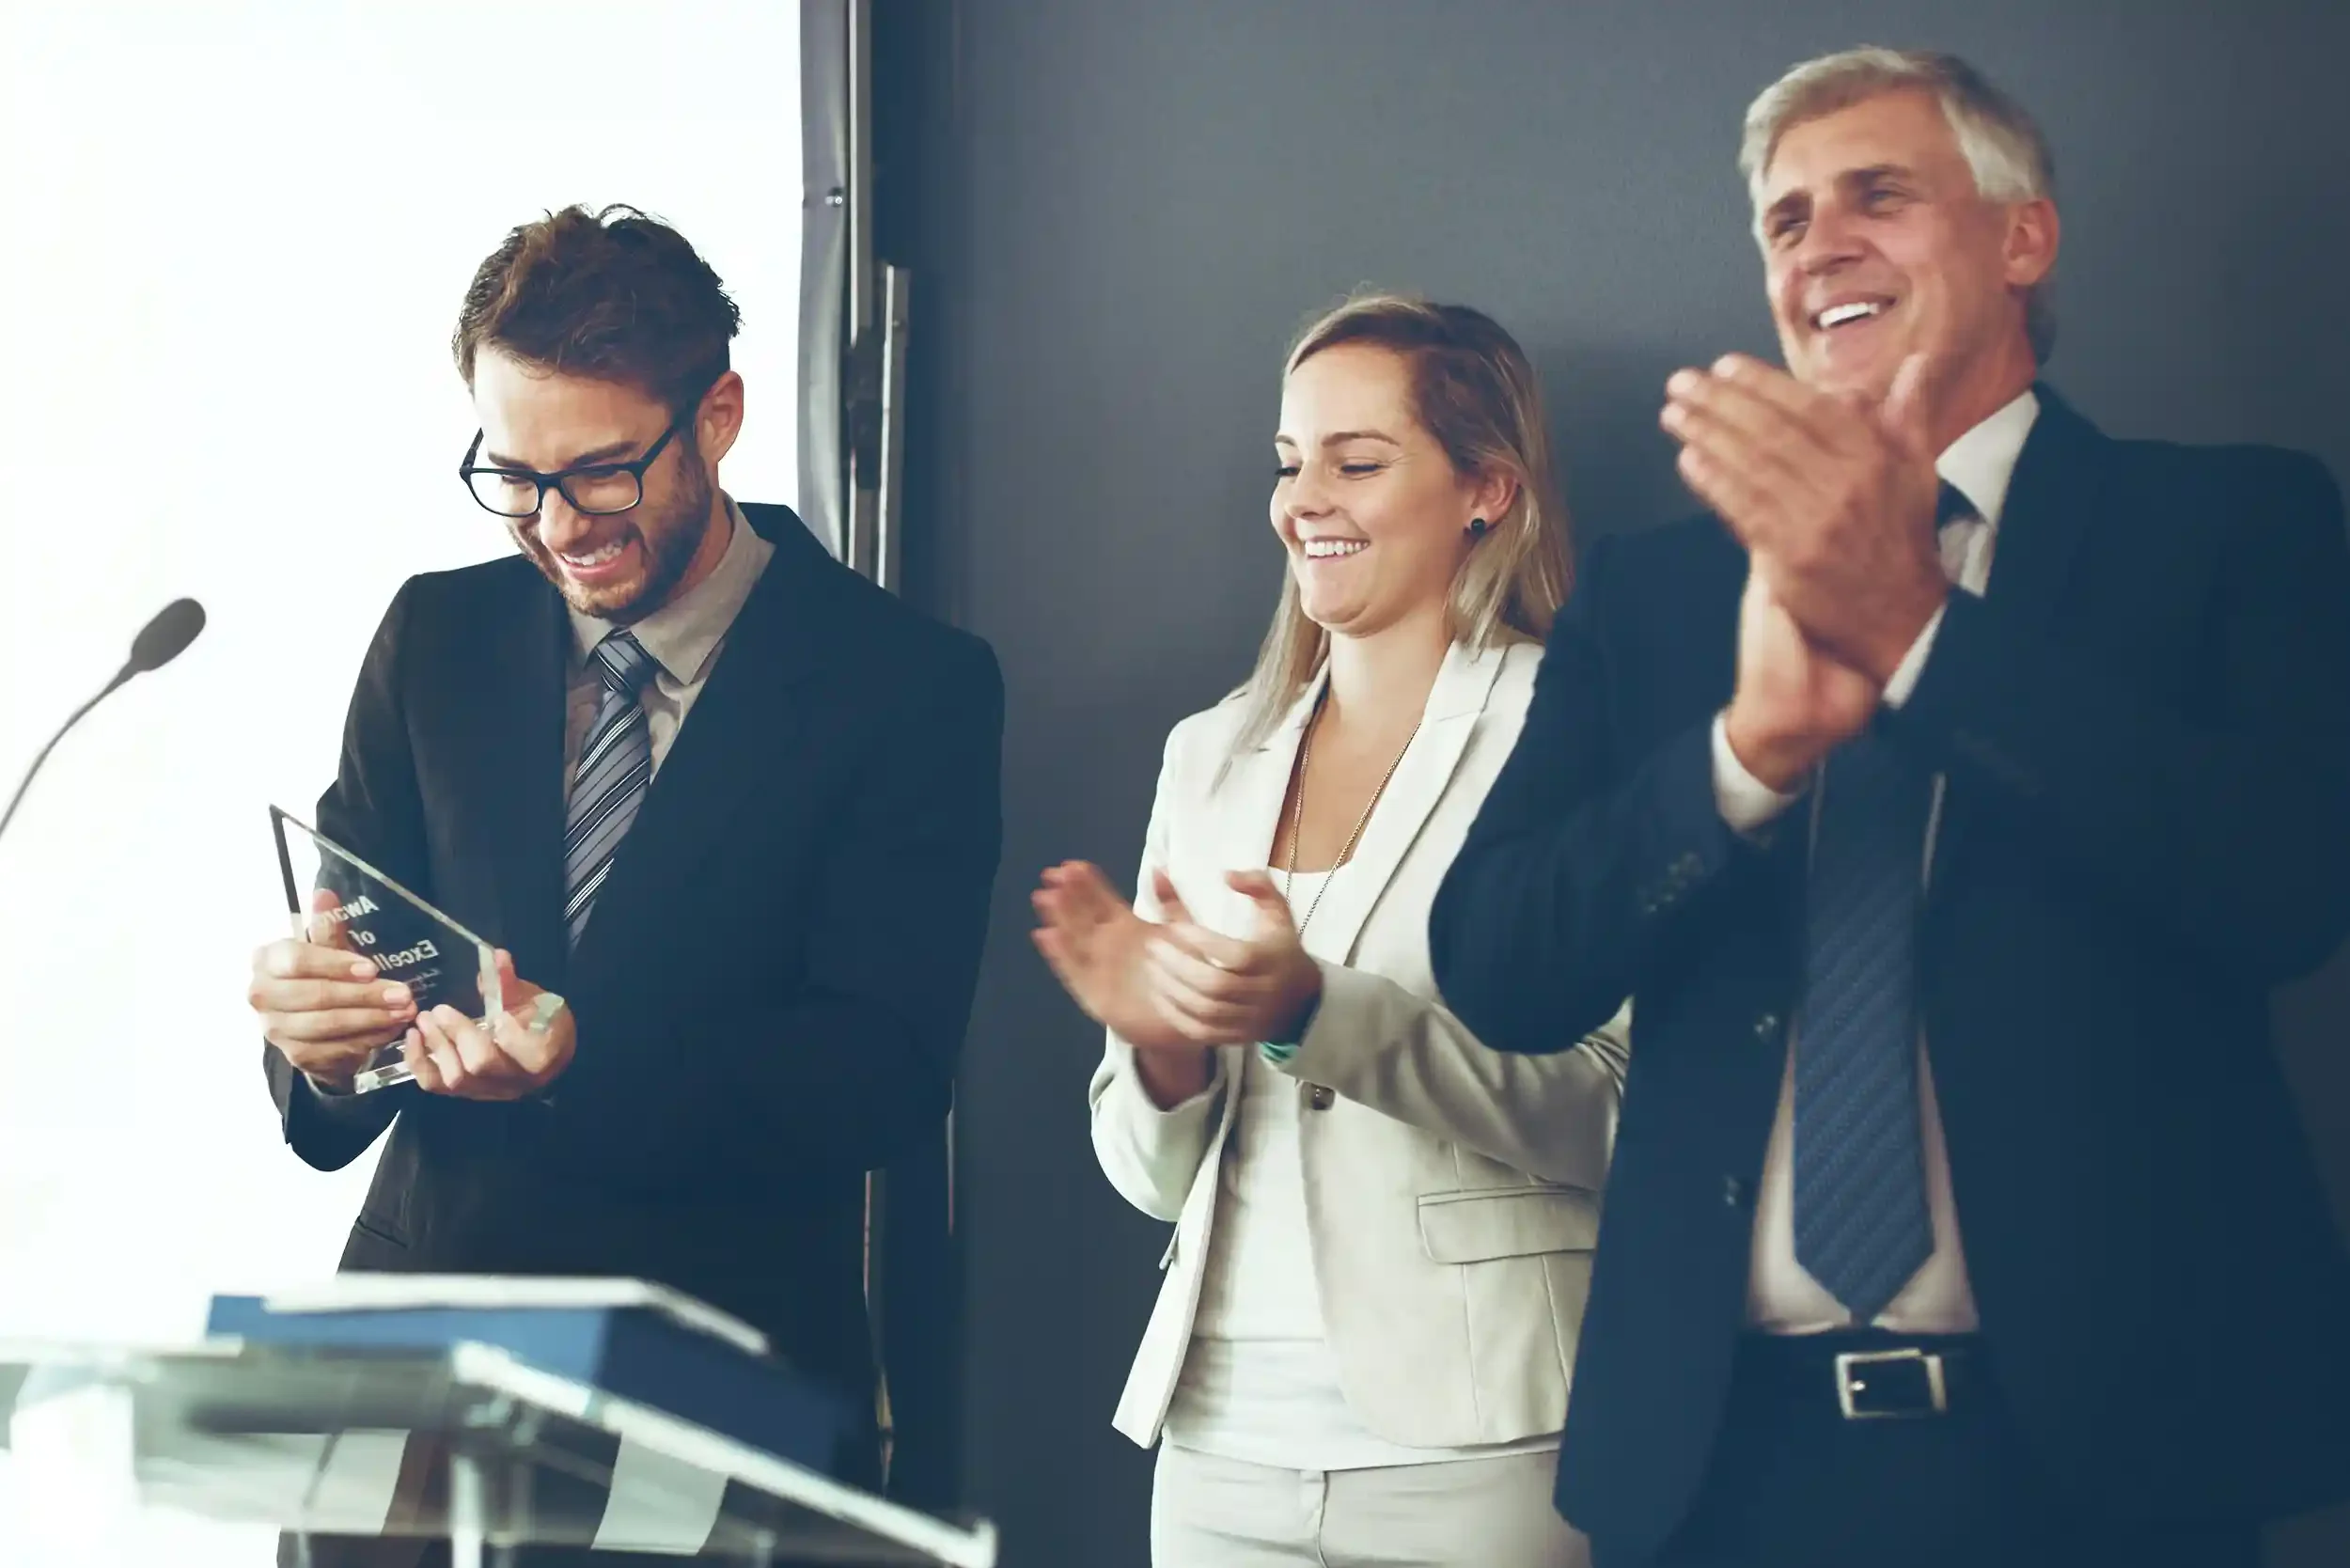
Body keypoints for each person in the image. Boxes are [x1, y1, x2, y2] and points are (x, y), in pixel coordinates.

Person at [1430, 45, 2350, 1568]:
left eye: (1879, 196)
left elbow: (2284, 884)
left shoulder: (2235, 523)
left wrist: (1925, 633)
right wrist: (1746, 756)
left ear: (2020, 237)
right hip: (1723, 1469)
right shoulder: (1656, 593)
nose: (1821, 245)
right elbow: (1500, 962)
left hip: (2111, 1472)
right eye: (1786, 222)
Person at [245, 204, 1003, 1564]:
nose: (553, 524)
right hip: (410, 1374)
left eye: (598, 471)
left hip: (711, 1383)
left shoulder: (906, 686)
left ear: (717, 415)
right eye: (513, 474)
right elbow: (350, 1043)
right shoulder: (436, 636)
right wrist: (318, 1041)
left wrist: (582, 1060)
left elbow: (883, 1075)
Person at [1034, 293, 1629, 1568]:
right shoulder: (1208, 755)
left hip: (1479, 1452)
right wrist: (1165, 1052)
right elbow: (1146, 1179)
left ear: (1488, 489)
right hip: (1215, 1452)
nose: (1306, 497)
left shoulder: (1575, 729)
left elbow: (1620, 1112)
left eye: (1358, 461)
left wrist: (1314, 1014)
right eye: (1290, 461)